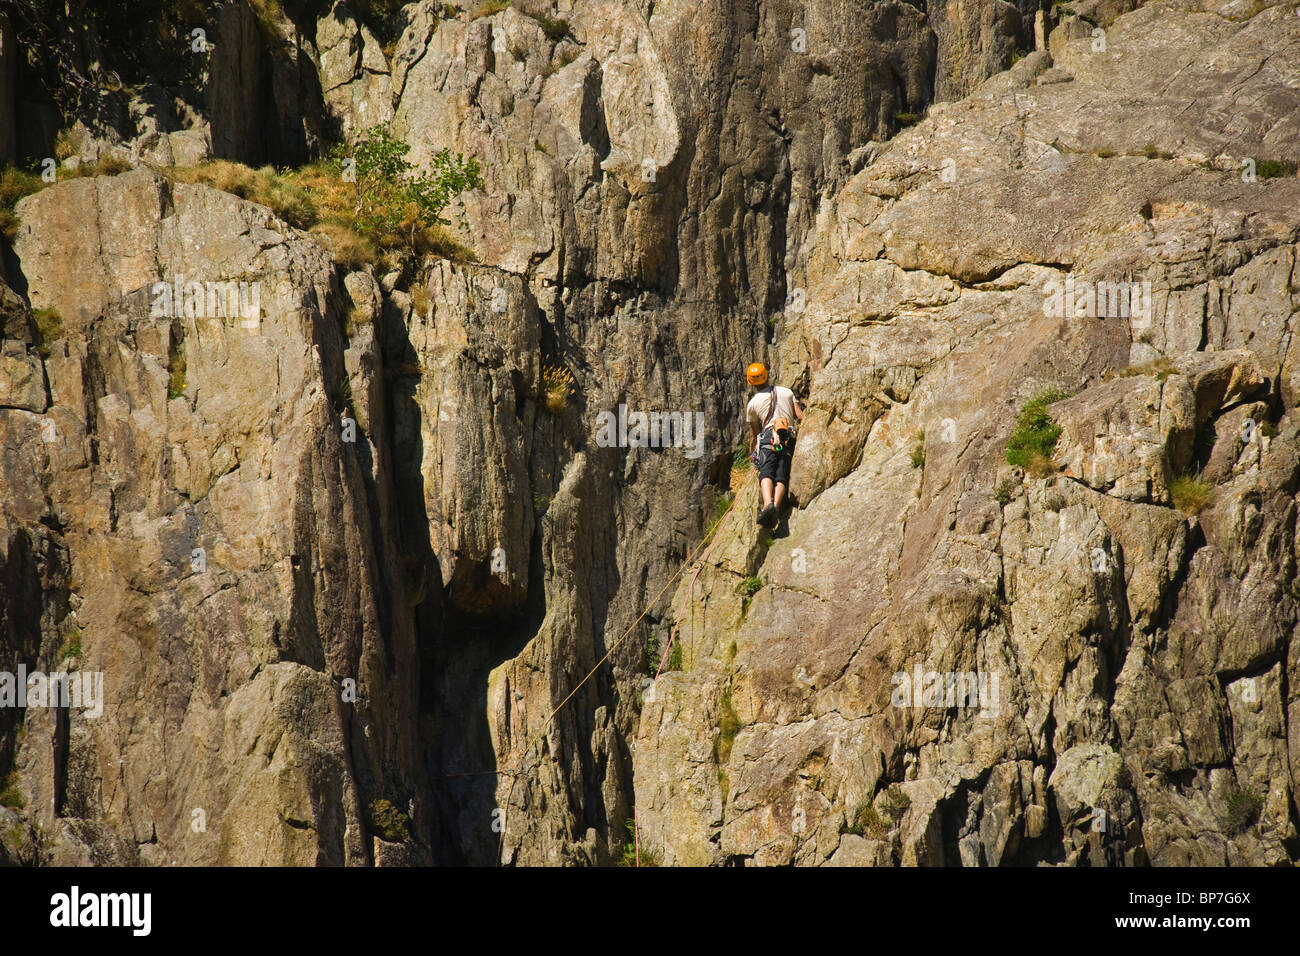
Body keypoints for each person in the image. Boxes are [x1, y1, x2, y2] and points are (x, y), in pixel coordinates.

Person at [745, 363, 803, 528]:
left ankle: (767, 504)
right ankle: (776, 505)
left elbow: (755, 434)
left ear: (751, 382)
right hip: (787, 436)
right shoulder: (787, 392)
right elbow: (800, 416)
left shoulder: (753, 404)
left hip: (768, 437)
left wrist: (752, 454)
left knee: (766, 471)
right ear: (767, 376)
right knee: (781, 472)